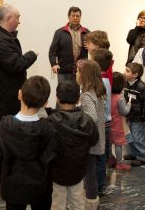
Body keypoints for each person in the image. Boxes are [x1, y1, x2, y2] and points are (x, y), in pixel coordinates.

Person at [0, 4, 38, 183]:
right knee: (3, 137)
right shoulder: (0, 40)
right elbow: (15, 65)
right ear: (8, 19)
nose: (19, 22)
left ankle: (2, 173)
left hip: (4, 96)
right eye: (17, 18)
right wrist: (31, 55)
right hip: (3, 99)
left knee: (3, 136)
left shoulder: (3, 37)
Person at [0, 76, 59, 210]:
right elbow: (55, 158)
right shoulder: (49, 130)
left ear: (20, 94)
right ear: (45, 103)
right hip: (41, 186)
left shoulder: (3, 127)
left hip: (13, 186)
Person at [47, 82, 99, 210]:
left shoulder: (51, 121)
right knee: (77, 202)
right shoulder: (87, 120)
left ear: (57, 98)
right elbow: (94, 140)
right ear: (78, 99)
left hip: (57, 172)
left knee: (57, 203)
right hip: (78, 170)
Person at [76, 59, 107, 210]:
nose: (76, 73)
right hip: (98, 138)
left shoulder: (87, 95)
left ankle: (90, 202)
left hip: (90, 142)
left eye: (78, 71)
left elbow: (91, 118)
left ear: (84, 76)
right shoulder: (98, 92)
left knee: (89, 174)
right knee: (91, 172)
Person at [121, 62, 145, 167]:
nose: (124, 73)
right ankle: (133, 153)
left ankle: (142, 157)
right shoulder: (126, 84)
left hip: (139, 118)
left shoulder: (143, 88)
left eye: (127, 71)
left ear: (135, 75)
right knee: (129, 136)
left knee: (137, 137)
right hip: (129, 116)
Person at [91, 49, 113, 196]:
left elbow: (100, 106)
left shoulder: (100, 83)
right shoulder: (105, 80)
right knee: (101, 156)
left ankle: (99, 186)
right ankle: (100, 184)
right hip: (106, 122)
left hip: (101, 124)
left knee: (99, 157)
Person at [49, 7, 90, 84]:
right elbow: (52, 51)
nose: (75, 18)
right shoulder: (59, 32)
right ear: (68, 16)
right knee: (64, 95)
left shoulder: (87, 33)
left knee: (81, 95)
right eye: (73, 15)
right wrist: (54, 64)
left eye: (77, 16)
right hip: (64, 71)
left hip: (82, 72)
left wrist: (91, 48)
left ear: (80, 17)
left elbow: (95, 50)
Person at [109, 72, 131, 171]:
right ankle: (119, 163)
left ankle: (110, 159)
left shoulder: (107, 95)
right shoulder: (120, 98)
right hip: (118, 124)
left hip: (108, 123)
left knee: (109, 143)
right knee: (118, 144)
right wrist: (129, 104)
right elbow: (125, 111)